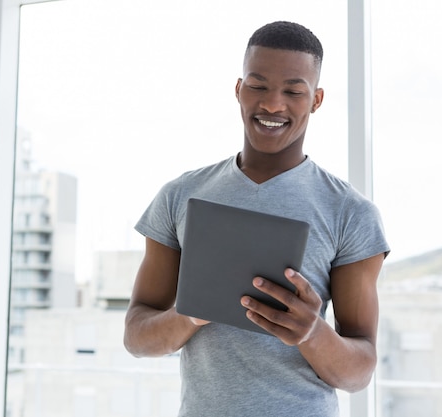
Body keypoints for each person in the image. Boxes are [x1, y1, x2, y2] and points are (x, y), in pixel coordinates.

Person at [123, 20, 390, 416]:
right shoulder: (179, 196)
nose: (272, 105)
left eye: (293, 91)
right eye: (258, 86)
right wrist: (193, 311)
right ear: (238, 89)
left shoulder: (351, 213)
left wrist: (312, 332)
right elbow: (136, 338)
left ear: (316, 99)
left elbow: (359, 373)